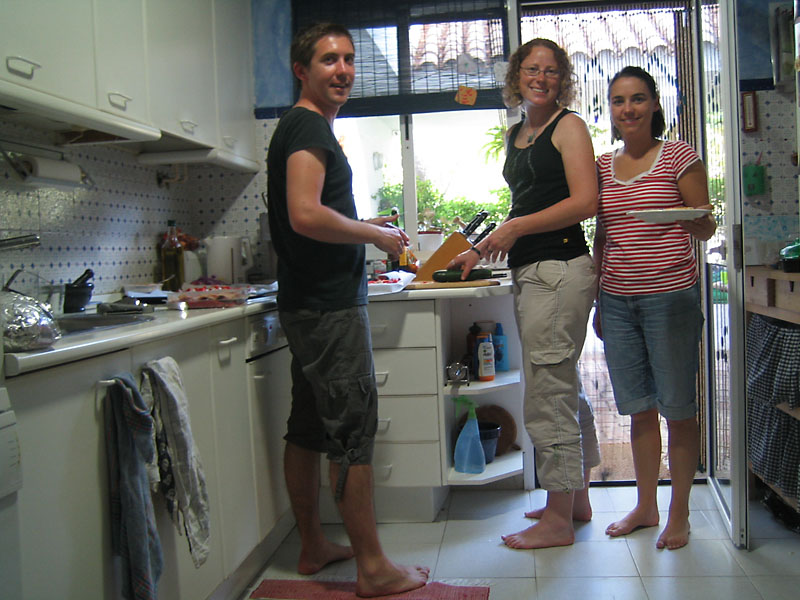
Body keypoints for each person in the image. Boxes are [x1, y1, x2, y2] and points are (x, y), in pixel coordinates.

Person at [266, 22, 429, 596]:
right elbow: (306, 214)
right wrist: (374, 237)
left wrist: (365, 227)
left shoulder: (301, 127)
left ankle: (313, 546)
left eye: (349, 60)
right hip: (328, 308)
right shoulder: (308, 125)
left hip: (306, 303)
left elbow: (309, 214)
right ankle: (374, 569)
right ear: (301, 70)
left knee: (307, 427)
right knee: (353, 433)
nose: (343, 70)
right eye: (329, 59)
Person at [448, 38, 601, 549]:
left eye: (552, 71)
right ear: (516, 76)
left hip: (559, 268)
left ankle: (559, 519)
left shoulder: (568, 126)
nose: (542, 77)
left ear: (564, 80)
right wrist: (482, 248)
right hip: (534, 271)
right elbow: (527, 205)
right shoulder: (519, 133)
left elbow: (585, 202)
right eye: (532, 69)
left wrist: (514, 229)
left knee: (548, 390)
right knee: (558, 380)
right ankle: (574, 501)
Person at [593, 66, 717, 550]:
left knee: (678, 410)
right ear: (611, 109)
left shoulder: (679, 155)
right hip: (618, 301)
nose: (629, 109)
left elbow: (703, 227)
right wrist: (599, 301)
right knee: (639, 411)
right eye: (620, 101)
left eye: (638, 99)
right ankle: (646, 507)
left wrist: (696, 221)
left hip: (671, 299)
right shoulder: (603, 168)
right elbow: (603, 236)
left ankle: (679, 514)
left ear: (655, 105)